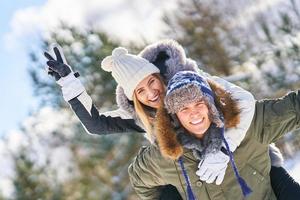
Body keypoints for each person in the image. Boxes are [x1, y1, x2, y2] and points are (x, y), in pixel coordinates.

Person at [44, 40, 291, 199]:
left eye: (151, 82)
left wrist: (223, 148)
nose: (151, 93)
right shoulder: (144, 117)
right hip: (203, 182)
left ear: (159, 75)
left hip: (253, 161)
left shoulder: (191, 81)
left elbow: (244, 101)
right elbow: (96, 124)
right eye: (140, 91)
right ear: (135, 99)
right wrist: (70, 83)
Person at [128, 70, 300, 200]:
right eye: (183, 108)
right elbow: (139, 180)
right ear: (174, 115)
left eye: (199, 103)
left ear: (211, 103)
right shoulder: (163, 156)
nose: (194, 114)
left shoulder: (251, 125)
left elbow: (295, 107)